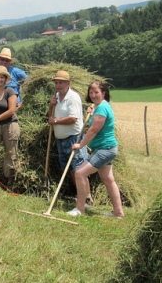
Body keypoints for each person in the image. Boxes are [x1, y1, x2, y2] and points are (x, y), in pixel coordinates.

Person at [67, 80, 124, 218]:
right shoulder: (100, 107)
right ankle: (118, 212)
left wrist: (80, 145)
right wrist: (93, 112)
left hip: (105, 150)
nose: (93, 95)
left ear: (103, 93)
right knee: (108, 179)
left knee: (80, 173)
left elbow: (94, 130)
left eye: (96, 92)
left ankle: (80, 208)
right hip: (107, 148)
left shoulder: (102, 108)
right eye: (91, 92)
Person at [48, 70, 93, 207]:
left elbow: (73, 119)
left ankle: (88, 199)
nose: (58, 85)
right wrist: (51, 105)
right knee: (71, 170)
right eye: (56, 82)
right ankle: (79, 195)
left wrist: (56, 121)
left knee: (79, 169)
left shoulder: (73, 97)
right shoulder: (56, 96)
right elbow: (50, 117)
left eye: (61, 82)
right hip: (60, 139)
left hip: (74, 138)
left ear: (68, 83)